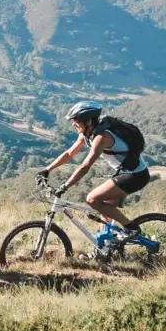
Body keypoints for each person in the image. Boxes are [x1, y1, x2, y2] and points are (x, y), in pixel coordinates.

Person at [37, 101, 150, 245]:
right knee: (105, 211)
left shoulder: (101, 138)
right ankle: (104, 249)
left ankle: (131, 228)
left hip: (136, 175)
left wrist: (65, 186)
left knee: (92, 199)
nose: (73, 124)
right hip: (124, 172)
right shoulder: (87, 133)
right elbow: (69, 153)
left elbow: (85, 166)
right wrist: (47, 170)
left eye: (76, 120)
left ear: (89, 121)